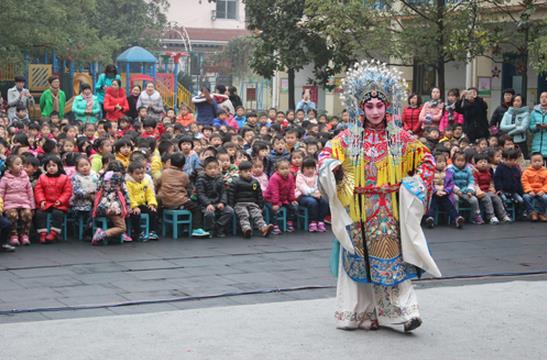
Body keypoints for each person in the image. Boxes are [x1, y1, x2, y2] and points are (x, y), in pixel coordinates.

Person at [318, 61, 439, 332]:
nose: (374, 111)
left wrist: (414, 186)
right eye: (369, 106)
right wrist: (333, 168)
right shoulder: (347, 139)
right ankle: (361, 313)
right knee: (360, 266)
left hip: (389, 213)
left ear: (388, 106)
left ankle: (404, 313)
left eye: (379, 106)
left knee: (394, 266)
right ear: (360, 107)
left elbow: (427, 160)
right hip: (358, 212)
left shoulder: (402, 138)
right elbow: (324, 156)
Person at [156, 153, 209, 238]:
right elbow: (188, 187)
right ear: (183, 165)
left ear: (170, 162)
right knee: (196, 208)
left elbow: (158, 183)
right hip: (179, 201)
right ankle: (196, 228)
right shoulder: (184, 175)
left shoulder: (164, 173)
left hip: (165, 201)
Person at [228, 161, 273, 238]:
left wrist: (260, 206)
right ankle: (246, 229)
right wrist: (231, 206)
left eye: (250, 171)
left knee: (257, 214)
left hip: (252, 203)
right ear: (240, 172)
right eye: (245, 171)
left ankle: (263, 228)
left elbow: (259, 194)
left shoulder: (255, 182)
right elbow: (231, 195)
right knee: (244, 215)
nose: (248, 173)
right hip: (240, 204)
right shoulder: (235, 182)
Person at [34, 155, 73, 243]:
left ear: (58, 166)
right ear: (45, 167)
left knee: (57, 213)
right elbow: (38, 190)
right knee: (39, 213)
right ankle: (43, 233)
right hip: (46, 202)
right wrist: (41, 200)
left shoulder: (64, 178)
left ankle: (54, 232)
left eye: (53, 165)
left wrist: (60, 201)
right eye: (49, 166)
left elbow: (67, 192)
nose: (51, 168)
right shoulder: (42, 177)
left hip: (59, 204)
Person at [91, 161, 131, 245]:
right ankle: (103, 234)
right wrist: (128, 206)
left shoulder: (102, 177)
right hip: (114, 207)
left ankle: (114, 234)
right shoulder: (119, 178)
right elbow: (125, 194)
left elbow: (97, 190)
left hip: (101, 206)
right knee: (122, 227)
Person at [0, 155, 35, 246]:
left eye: (21, 164)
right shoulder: (5, 179)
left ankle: (24, 235)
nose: (20, 166)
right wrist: (1, 207)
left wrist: (32, 206)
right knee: (12, 214)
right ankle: (13, 235)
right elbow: (1, 194)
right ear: (10, 167)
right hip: (10, 204)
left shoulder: (25, 178)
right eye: (17, 164)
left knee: (27, 214)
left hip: (24, 203)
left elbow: (30, 193)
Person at [195, 157, 234, 237]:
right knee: (209, 213)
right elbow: (200, 194)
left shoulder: (220, 178)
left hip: (218, 203)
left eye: (215, 168)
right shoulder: (201, 179)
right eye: (210, 168)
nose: (213, 170)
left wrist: (222, 202)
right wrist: (208, 204)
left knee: (229, 211)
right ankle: (210, 230)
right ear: (205, 169)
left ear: (218, 169)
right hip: (205, 204)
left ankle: (219, 227)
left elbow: (223, 192)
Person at [425, 154, 464, 228]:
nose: (442, 163)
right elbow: (429, 184)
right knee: (433, 205)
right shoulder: (430, 173)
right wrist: (435, 191)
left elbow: (451, 184)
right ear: (434, 163)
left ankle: (457, 219)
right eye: (439, 162)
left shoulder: (449, 172)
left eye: (444, 162)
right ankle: (430, 219)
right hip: (434, 193)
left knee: (450, 205)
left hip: (445, 193)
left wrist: (446, 191)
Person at [473, 153, 512, 223]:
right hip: (480, 192)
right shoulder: (475, 173)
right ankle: (491, 216)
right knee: (487, 199)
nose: (483, 164)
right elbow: (475, 183)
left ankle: (503, 216)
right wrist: (478, 191)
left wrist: (492, 188)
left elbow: (491, 182)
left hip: (488, 190)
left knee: (497, 198)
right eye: (480, 162)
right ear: (476, 164)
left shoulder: (488, 172)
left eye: (485, 162)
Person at [126, 161, 159, 241]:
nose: (140, 175)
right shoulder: (128, 183)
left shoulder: (145, 182)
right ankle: (137, 233)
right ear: (130, 174)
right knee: (135, 214)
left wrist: (152, 204)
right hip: (131, 205)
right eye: (137, 173)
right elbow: (129, 196)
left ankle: (152, 231)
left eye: (142, 173)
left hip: (142, 204)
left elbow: (150, 194)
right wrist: (134, 206)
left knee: (152, 211)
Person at [264, 159, 298, 235]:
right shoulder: (274, 178)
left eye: (287, 168)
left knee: (293, 207)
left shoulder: (290, 176)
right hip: (270, 198)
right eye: (282, 169)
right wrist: (275, 203)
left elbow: (292, 188)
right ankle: (274, 225)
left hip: (283, 198)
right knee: (274, 210)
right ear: (277, 170)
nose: (285, 171)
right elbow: (274, 192)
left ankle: (289, 223)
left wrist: (292, 199)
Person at [296, 157, 329, 232]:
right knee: (312, 202)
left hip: (315, 194)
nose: (310, 170)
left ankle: (321, 221)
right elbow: (303, 188)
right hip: (302, 195)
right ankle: (312, 222)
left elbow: (317, 185)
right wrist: (313, 194)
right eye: (307, 168)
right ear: (303, 168)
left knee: (324, 201)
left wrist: (318, 192)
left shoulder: (316, 175)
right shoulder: (300, 176)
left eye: (312, 168)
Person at [70, 156, 99, 231]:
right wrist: (89, 195)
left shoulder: (95, 175)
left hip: (95, 200)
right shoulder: (76, 178)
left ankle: (96, 229)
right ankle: (87, 231)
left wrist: (96, 194)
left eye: (86, 165)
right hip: (81, 202)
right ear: (77, 169)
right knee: (89, 212)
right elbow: (76, 190)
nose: (84, 167)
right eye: (81, 166)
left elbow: (100, 186)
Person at [500, 94, 529, 159]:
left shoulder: (525, 114)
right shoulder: (507, 113)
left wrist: (509, 133)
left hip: (520, 141)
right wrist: (515, 125)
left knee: (521, 160)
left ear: (522, 102)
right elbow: (502, 126)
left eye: (518, 101)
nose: (516, 103)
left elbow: (522, 128)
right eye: (514, 101)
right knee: (508, 159)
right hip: (508, 142)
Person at [521, 152, 547, 222]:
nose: (537, 163)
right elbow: (524, 182)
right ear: (531, 162)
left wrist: (543, 191)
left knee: (545, 198)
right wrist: (529, 191)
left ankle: (541, 213)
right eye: (535, 161)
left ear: (543, 162)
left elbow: (546, 184)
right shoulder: (526, 172)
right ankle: (532, 213)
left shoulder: (545, 171)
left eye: (539, 161)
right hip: (530, 192)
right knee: (525, 197)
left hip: (541, 191)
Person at [529, 91, 547, 159]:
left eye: (546, 97)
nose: (544, 99)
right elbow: (530, 128)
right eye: (541, 97)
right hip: (537, 147)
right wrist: (536, 127)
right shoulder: (534, 112)